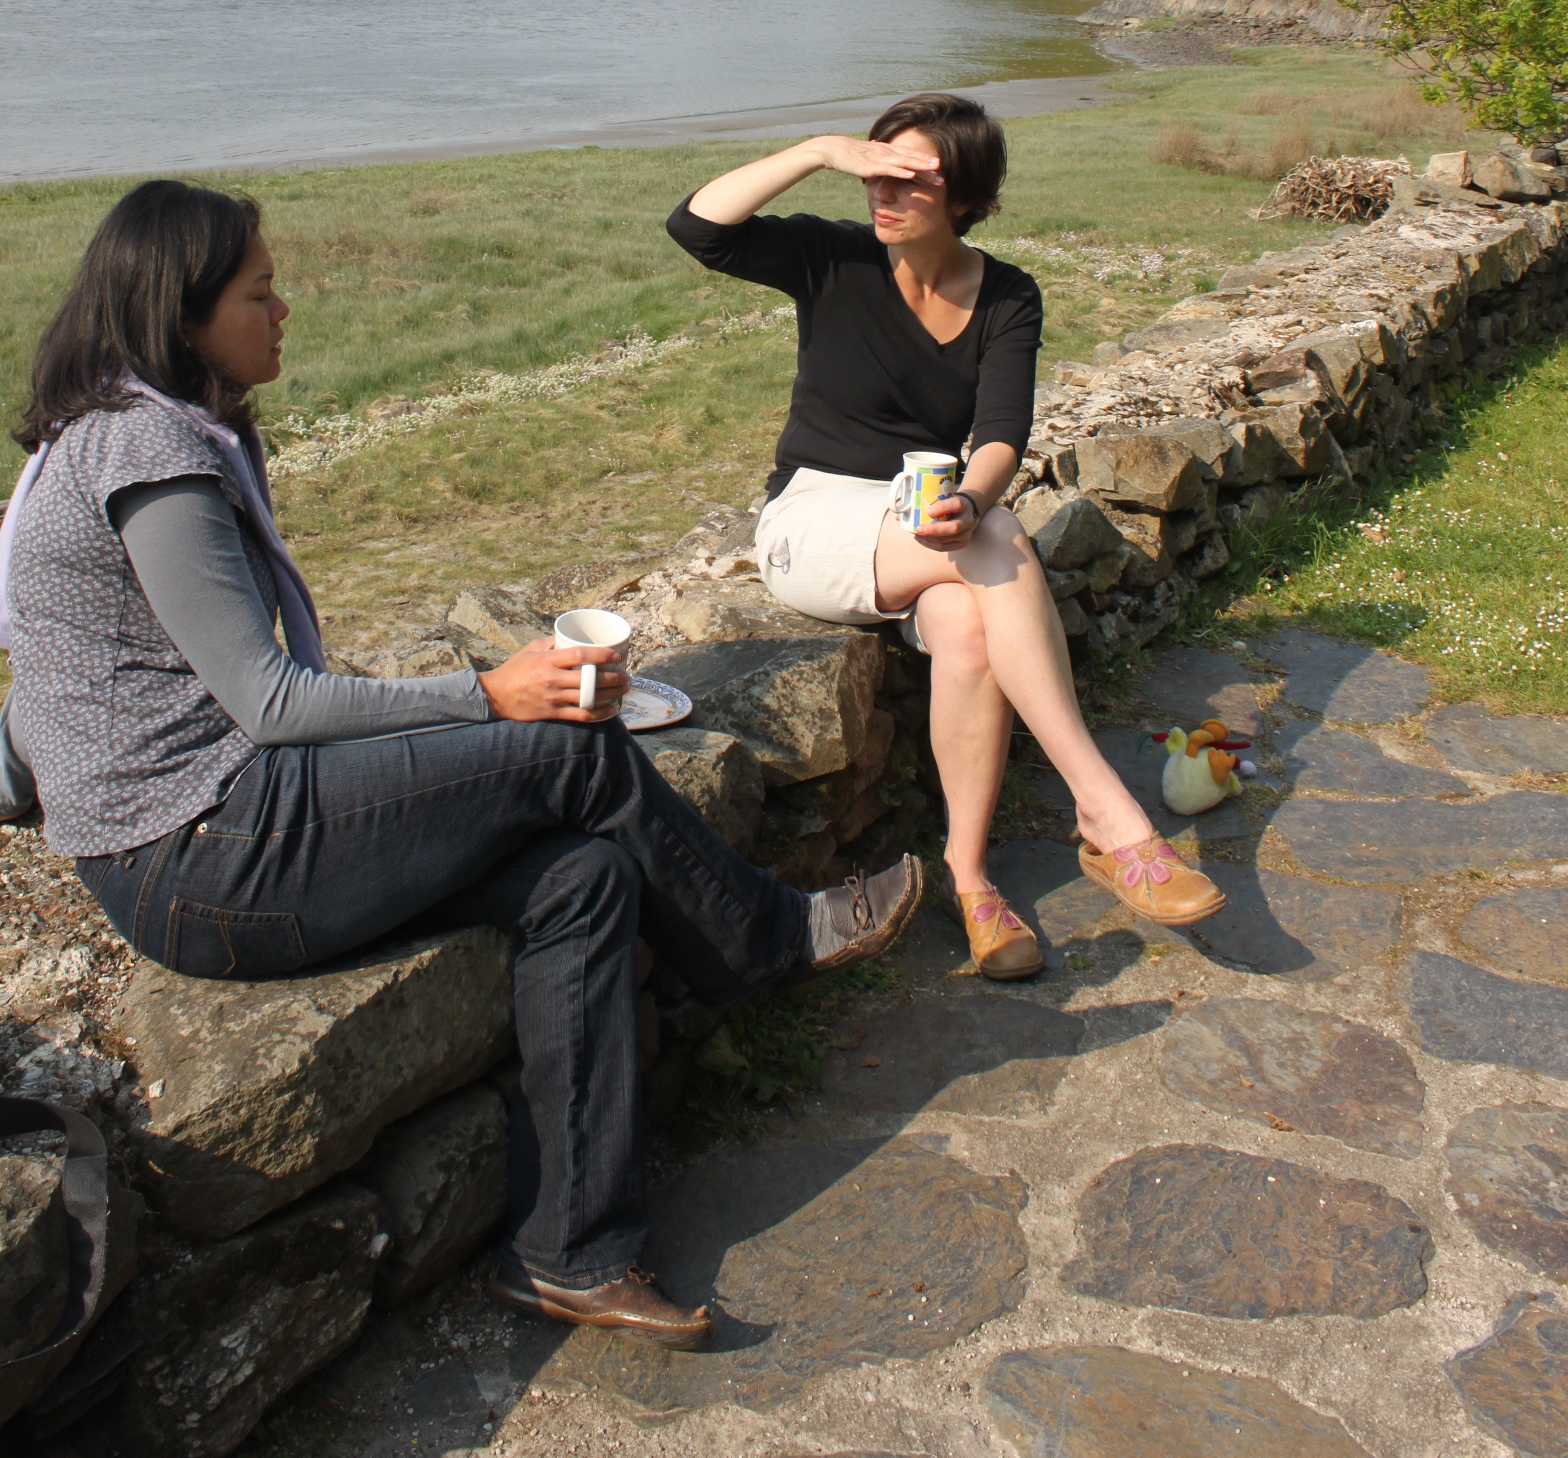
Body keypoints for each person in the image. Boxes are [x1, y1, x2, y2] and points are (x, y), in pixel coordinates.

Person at [0, 180, 921, 1350]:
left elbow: (68, 669)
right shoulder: (148, 455)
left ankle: (568, 1253)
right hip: (205, 851)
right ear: (180, 314)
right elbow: (269, 702)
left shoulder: (111, 436)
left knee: (578, 881)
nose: (285, 308)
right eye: (259, 291)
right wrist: (489, 694)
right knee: (565, 758)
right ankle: (768, 938)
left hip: (201, 836)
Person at [668, 93, 1224, 978]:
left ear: (967, 199)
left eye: (912, 180)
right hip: (811, 522)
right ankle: (1106, 812)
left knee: (968, 624)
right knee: (997, 538)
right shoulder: (833, 256)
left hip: (925, 530)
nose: (883, 194)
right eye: (876, 172)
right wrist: (819, 149)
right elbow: (696, 226)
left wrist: (969, 496)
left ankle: (970, 882)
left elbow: (1002, 430)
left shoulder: (1006, 295)